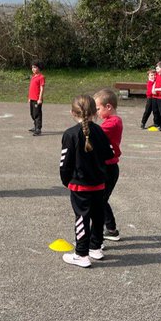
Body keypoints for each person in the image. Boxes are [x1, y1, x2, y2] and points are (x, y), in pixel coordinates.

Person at [59, 93, 114, 268]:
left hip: (80, 185)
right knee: (98, 216)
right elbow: (109, 155)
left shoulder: (70, 134)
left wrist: (66, 180)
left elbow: (64, 162)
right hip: (98, 184)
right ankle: (95, 247)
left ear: (72, 112)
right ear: (94, 112)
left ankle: (81, 254)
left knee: (82, 218)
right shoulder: (100, 131)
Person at [94, 87, 123, 242]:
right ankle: (111, 229)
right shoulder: (108, 121)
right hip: (105, 167)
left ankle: (96, 239)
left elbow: (94, 132)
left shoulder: (113, 122)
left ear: (108, 107)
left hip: (108, 169)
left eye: (98, 108)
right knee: (100, 200)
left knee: (98, 202)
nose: (96, 112)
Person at [27, 60, 45, 136]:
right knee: (32, 113)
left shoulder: (41, 77)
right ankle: (35, 126)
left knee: (37, 114)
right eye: (32, 67)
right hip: (32, 98)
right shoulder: (33, 77)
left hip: (37, 99)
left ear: (39, 68)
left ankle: (38, 128)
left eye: (35, 67)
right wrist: (29, 97)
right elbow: (31, 88)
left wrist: (40, 98)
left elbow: (41, 89)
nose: (33, 69)